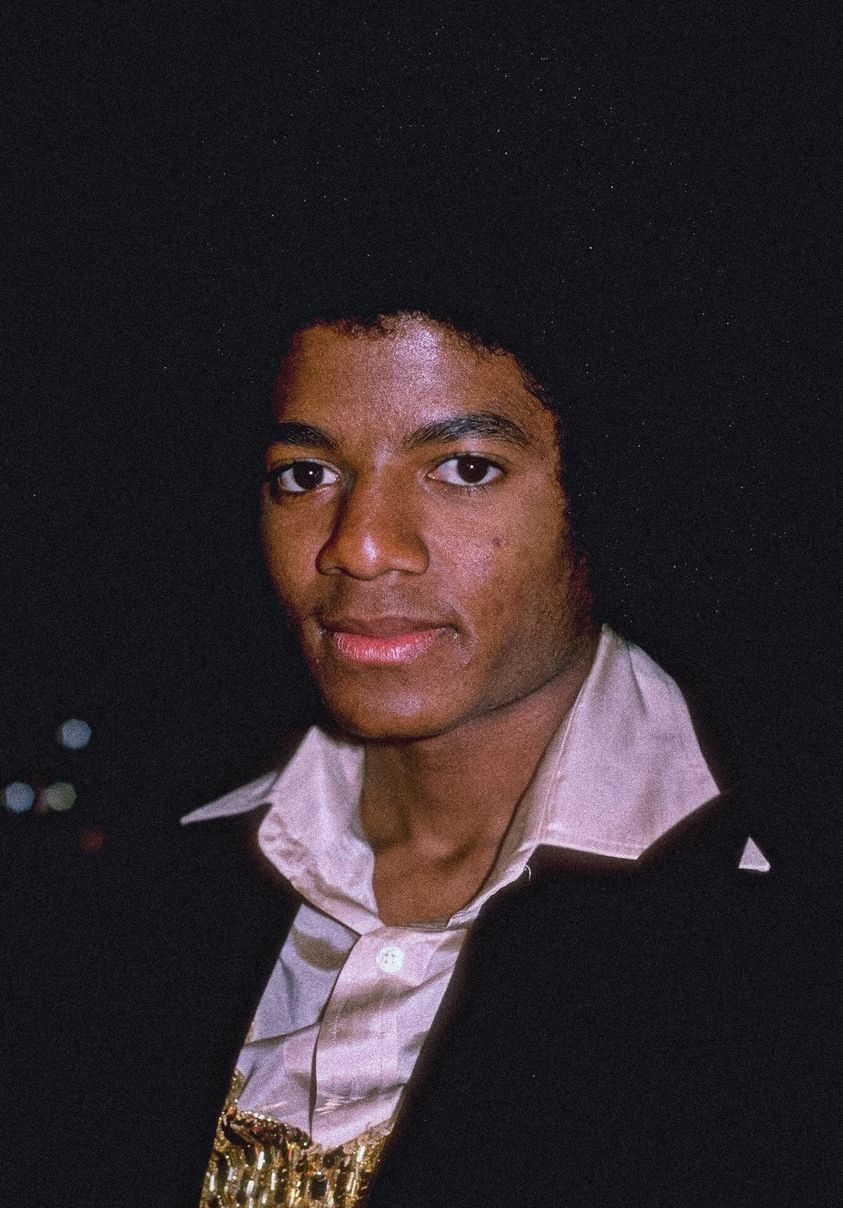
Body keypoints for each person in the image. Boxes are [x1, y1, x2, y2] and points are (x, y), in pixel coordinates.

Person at [157, 302, 830, 1208]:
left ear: (603, 493)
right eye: (305, 474)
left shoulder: (784, 928)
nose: (360, 546)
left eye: (465, 469)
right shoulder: (147, 876)